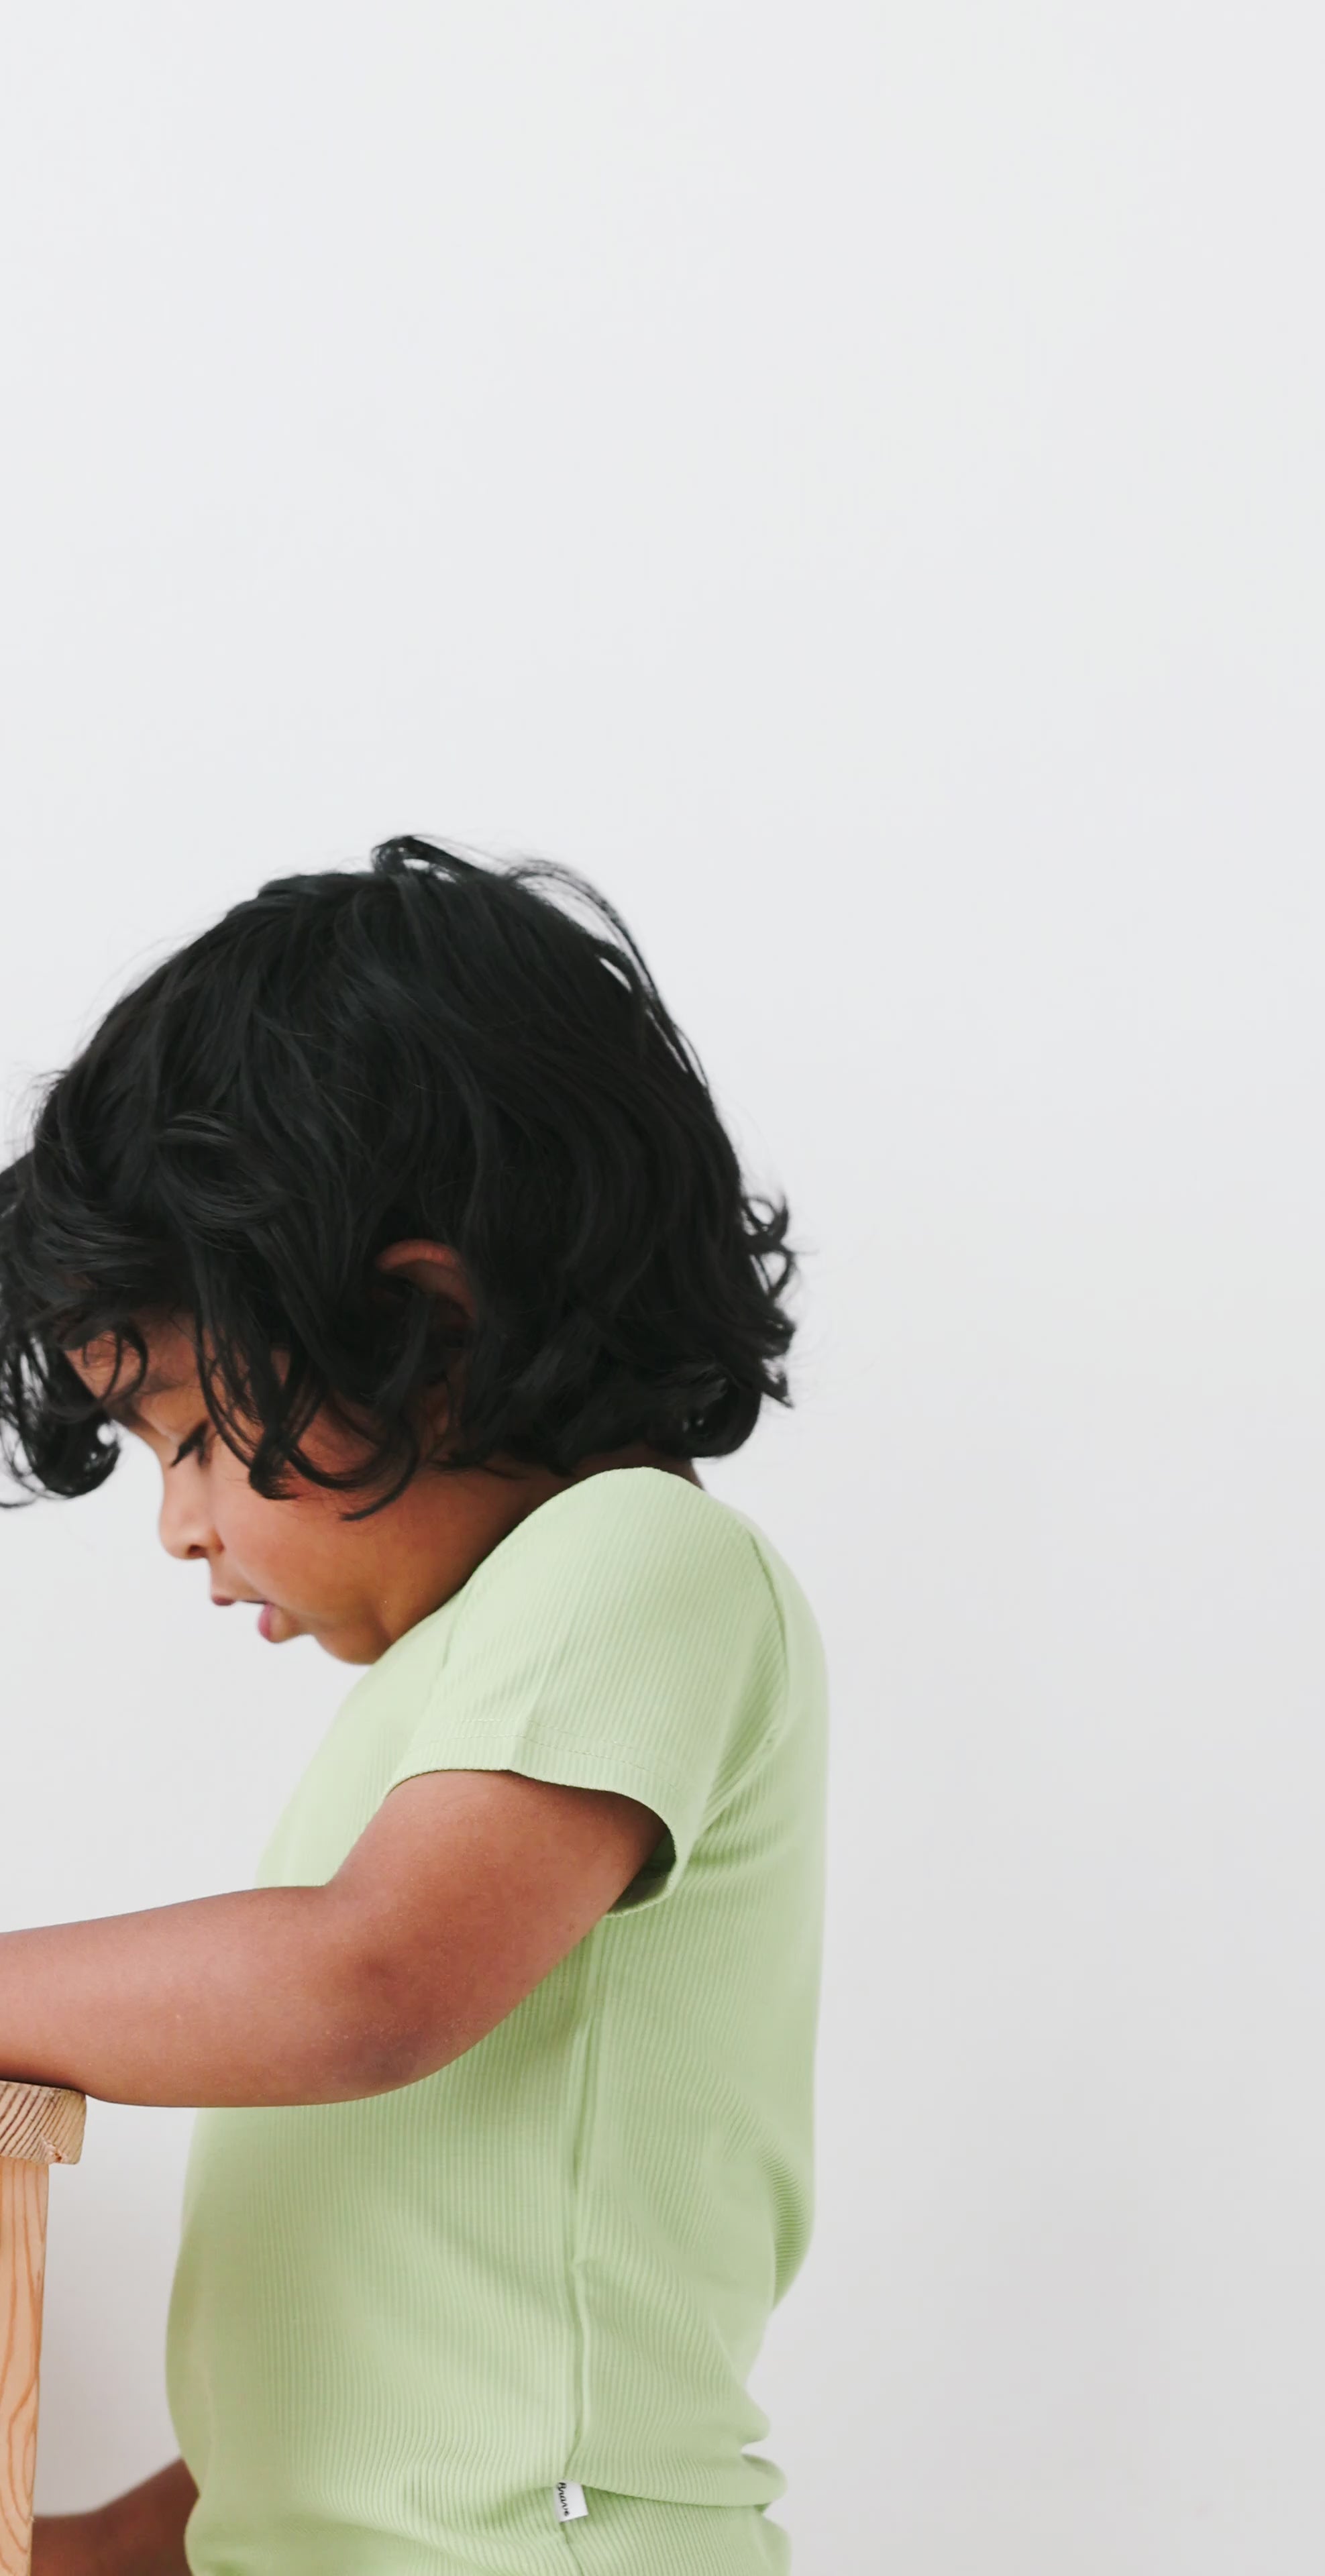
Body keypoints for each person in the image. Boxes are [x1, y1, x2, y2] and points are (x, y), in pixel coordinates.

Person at [0, 839, 826, 2576]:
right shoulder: (460, 1696)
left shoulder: (636, 1561)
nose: (178, 1526)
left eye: (193, 1434)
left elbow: (363, 1987)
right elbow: (351, 2440)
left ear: (424, 1331)